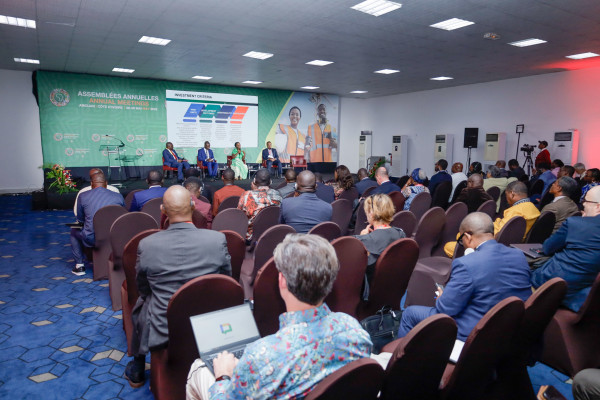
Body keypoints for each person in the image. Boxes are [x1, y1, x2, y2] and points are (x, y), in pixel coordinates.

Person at [185, 234, 372, 400]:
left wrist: (223, 376)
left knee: (198, 369)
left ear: (282, 281)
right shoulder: (355, 331)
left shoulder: (262, 356)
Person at [125, 185, 231, 388]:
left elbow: (143, 288)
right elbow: (225, 282)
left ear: (163, 211)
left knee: (143, 303)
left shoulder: (147, 244)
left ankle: (138, 366)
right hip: (207, 323)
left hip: (164, 329)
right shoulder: (217, 240)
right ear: (193, 206)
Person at [399, 212, 531, 341]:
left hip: (474, 333)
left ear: (467, 236)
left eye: (461, 241)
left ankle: (399, 354)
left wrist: (441, 298)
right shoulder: (518, 255)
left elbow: (446, 309)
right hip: (512, 329)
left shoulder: (466, 263)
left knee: (409, 314)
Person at [531, 186, 600, 312]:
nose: (583, 204)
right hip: (586, 296)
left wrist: (583, 222)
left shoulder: (575, 223)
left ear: (598, 206)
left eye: (586, 201)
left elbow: (547, 247)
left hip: (554, 285)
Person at [444, 180, 540, 257]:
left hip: (492, 247)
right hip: (512, 246)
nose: (506, 199)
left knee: (449, 246)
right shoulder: (534, 209)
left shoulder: (515, 211)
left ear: (512, 194)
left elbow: (498, 234)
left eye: (506, 195)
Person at [70, 173, 125, 276]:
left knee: (74, 231)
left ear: (91, 184)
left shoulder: (83, 196)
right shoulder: (118, 196)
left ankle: (79, 266)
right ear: (106, 183)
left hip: (92, 238)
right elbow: (123, 216)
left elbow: (80, 219)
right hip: (114, 237)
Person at [354, 194, 405, 284]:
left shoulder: (364, 240)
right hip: (391, 284)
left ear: (371, 213)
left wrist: (362, 238)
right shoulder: (401, 234)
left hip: (368, 287)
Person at [237, 168, 282, 240]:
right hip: (273, 234)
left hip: (252, 237)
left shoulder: (246, 195)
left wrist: (253, 191)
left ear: (254, 181)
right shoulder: (277, 195)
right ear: (270, 182)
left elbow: (239, 215)